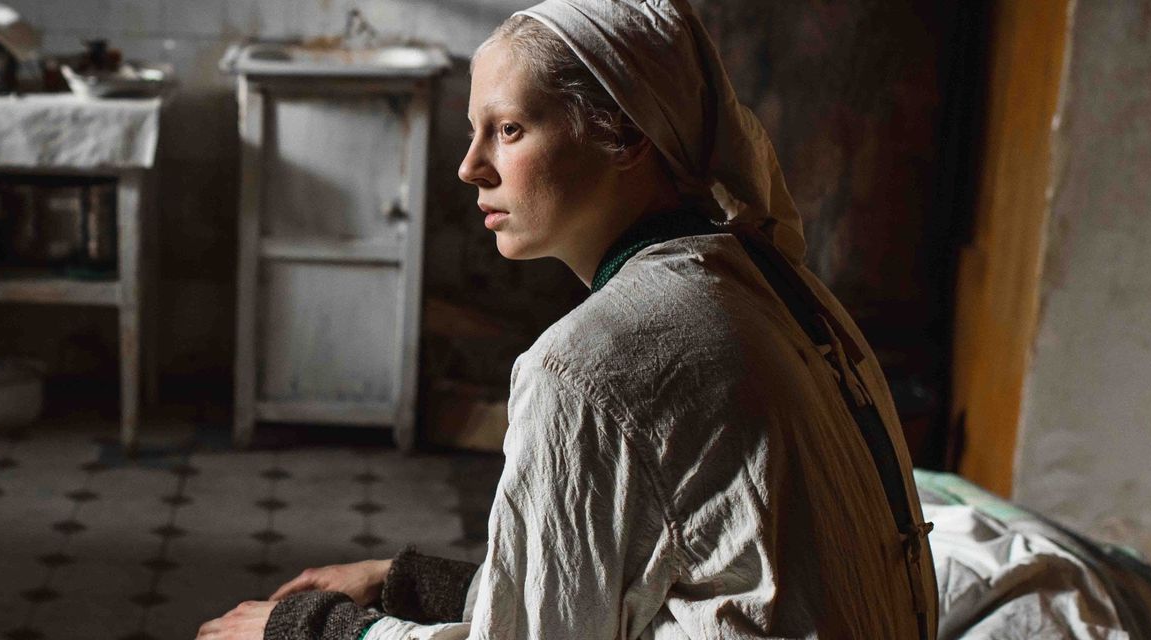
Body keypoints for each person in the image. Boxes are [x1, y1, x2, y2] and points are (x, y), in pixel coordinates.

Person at [198, 0, 939, 638]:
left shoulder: (587, 366)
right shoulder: (771, 282)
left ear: (627, 134)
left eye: (508, 130)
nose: (470, 167)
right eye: (474, 131)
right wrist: (413, 583)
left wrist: (311, 628)